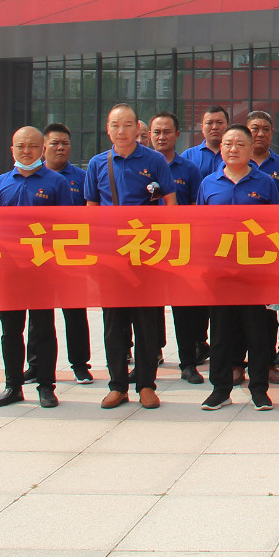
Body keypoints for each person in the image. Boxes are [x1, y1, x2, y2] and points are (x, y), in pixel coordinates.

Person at [85, 103, 179, 410]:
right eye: (115, 125)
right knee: (114, 324)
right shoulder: (98, 163)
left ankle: (147, 385)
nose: (121, 131)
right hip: (112, 258)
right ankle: (118, 386)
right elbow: (91, 212)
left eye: (127, 125)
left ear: (138, 128)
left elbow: (171, 205)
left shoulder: (154, 160)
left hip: (147, 254)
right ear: (107, 129)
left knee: (147, 322)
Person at [0, 126, 73, 409]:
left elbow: (67, 227)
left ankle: (46, 386)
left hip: (43, 268)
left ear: (42, 149)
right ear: (12, 150)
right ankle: (12, 386)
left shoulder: (56, 183)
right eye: (20, 146)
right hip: (7, 269)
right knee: (10, 330)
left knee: (43, 328)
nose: (26, 151)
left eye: (32, 146)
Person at [199, 124, 279, 412]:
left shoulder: (265, 184)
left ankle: (259, 389)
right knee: (221, 334)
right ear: (221, 149)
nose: (233, 149)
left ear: (250, 150)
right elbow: (200, 228)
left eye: (239, 144)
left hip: (256, 272)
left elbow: (275, 228)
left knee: (258, 334)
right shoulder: (208, 184)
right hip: (220, 273)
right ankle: (220, 389)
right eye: (228, 144)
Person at [151, 111, 208, 384]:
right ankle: (150, 357)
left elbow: (197, 209)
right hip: (146, 244)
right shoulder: (143, 165)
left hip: (180, 247)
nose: (161, 137)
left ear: (177, 134)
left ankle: (188, 363)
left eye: (167, 132)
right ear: (149, 135)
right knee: (149, 307)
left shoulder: (189, 169)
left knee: (184, 308)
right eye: (156, 132)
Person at [246, 111, 279, 373]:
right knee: (238, 308)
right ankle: (237, 363)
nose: (260, 134)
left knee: (269, 311)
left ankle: (267, 363)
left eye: (265, 129)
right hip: (235, 249)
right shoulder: (230, 164)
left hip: (270, 250)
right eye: (254, 129)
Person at [40, 122, 94, 384]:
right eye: (55, 143)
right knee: (39, 314)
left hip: (72, 256)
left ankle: (80, 364)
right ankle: (36, 364)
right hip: (39, 257)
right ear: (43, 147)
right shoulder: (32, 176)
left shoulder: (82, 178)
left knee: (75, 312)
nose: (60, 147)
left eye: (65, 143)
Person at [181, 104, 230, 177]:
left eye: (219, 122)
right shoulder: (189, 156)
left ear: (228, 126)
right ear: (202, 127)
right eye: (209, 123)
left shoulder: (235, 154)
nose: (215, 127)